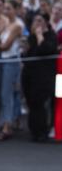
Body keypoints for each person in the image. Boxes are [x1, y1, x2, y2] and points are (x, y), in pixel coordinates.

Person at [22, 11, 58, 142]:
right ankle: (34, 130)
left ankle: (42, 131)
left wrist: (39, 35)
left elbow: (45, 50)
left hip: (44, 76)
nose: (37, 23)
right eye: (35, 21)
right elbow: (26, 56)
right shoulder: (30, 38)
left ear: (46, 23)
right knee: (31, 102)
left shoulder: (50, 36)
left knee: (39, 103)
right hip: (29, 74)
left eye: (40, 20)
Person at [0, 0, 24, 141]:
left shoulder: (17, 25)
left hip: (11, 61)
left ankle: (7, 127)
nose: (6, 11)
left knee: (7, 95)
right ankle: (8, 122)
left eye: (8, 8)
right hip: (5, 61)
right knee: (6, 94)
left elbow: (5, 46)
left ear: (15, 9)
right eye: (5, 9)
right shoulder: (8, 24)